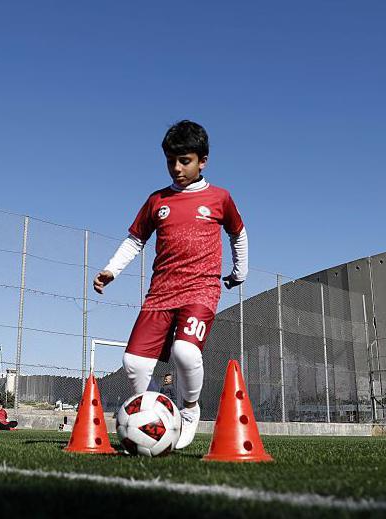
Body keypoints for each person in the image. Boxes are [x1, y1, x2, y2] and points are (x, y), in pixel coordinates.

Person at [93, 120, 248, 449]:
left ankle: (190, 410)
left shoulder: (220, 198)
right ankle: (155, 419)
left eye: (185, 161)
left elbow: (238, 233)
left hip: (201, 290)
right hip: (160, 293)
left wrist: (239, 271)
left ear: (202, 160)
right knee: (133, 363)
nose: (176, 168)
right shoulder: (157, 201)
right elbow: (135, 240)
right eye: (170, 161)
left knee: (185, 351)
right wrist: (111, 270)